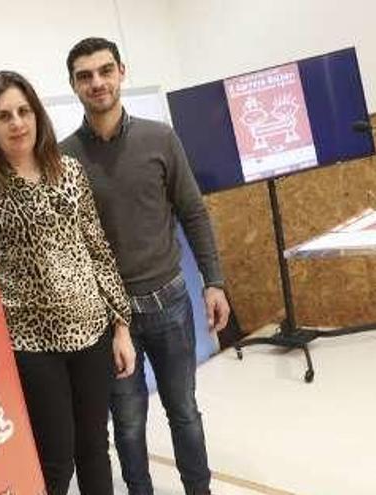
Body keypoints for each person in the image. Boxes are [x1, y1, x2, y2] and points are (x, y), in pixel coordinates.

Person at [60, 37, 231, 495]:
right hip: (110, 319)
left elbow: (193, 212)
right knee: (129, 425)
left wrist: (213, 282)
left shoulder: (161, 138)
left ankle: (200, 489)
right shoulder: (63, 161)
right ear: (73, 85)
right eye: (85, 75)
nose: (97, 82)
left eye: (104, 71)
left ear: (121, 72)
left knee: (184, 411)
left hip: (171, 302)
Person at [0, 70, 136, 495]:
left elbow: (97, 249)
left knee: (95, 449)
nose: (17, 123)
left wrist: (120, 327)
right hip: (31, 344)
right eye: (3, 116)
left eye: (24, 111)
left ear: (38, 115)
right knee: (56, 456)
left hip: (91, 332)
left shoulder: (69, 172)